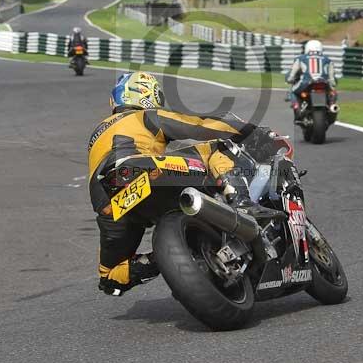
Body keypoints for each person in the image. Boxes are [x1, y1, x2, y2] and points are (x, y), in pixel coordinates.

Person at [88, 72, 277, 296]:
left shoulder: (97, 132)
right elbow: (198, 125)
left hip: (108, 202)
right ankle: (241, 202)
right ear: (146, 93)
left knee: (109, 276)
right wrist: (254, 132)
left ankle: (163, 258)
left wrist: (167, 257)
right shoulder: (145, 116)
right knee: (216, 146)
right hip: (144, 170)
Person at [285, 39, 337, 115]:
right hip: (323, 82)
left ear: (307, 48)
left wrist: (289, 80)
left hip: (306, 82)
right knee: (333, 92)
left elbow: (292, 74)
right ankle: (332, 106)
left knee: (292, 92)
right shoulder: (328, 60)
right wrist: (333, 84)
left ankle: (296, 106)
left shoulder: (300, 58)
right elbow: (332, 77)